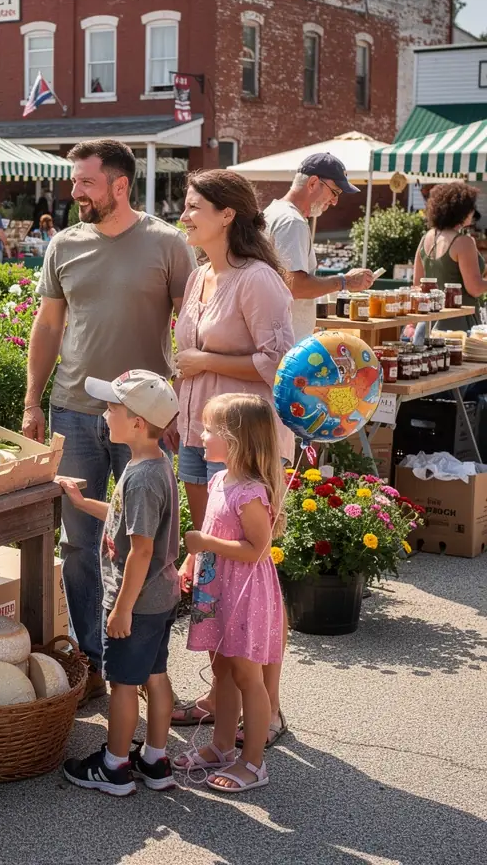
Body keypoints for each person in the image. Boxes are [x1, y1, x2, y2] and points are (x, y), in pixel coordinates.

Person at [23, 138, 195, 701]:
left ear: (120, 186)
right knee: (79, 543)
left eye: (86, 183)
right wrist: (31, 401)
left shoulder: (168, 244)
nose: (74, 192)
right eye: (75, 182)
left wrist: (178, 410)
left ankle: (144, 668)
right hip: (74, 409)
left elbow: (190, 331)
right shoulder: (64, 245)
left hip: (144, 420)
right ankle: (94, 662)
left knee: (146, 542)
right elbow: (48, 328)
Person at [170, 169, 293, 736]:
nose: (186, 213)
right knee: (216, 566)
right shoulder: (200, 277)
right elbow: (186, 359)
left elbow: (278, 363)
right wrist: (176, 412)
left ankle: (266, 707)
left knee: (254, 565)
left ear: (227, 216)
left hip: (249, 445)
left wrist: (207, 364)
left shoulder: (258, 279)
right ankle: (225, 696)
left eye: (196, 206)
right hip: (199, 435)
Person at [58, 370, 182, 796]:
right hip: (160, 598)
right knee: (156, 676)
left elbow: (141, 551)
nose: (104, 413)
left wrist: (121, 607)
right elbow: (120, 523)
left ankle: (113, 767)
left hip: (138, 603)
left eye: (112, 407)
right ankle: (155, 759)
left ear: (138, 423)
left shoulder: (142, 479)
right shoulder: (151, 464)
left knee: (123, 685)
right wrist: (79, 502)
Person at [174, 393, 286, 794]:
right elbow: (208, 531)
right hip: (216, 586)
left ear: (236, 440)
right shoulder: (221, 480)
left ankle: (253, 762)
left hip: (244, 591)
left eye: (209, 430)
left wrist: (205, 543)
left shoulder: (251, 492)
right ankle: (221, 745)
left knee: (245, 674)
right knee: (220, 667)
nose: (201, 436)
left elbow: (257, 549)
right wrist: (191, 561)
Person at [264, 152, 373, 339]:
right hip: (284, 344)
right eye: (335, 192)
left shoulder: (274, 212)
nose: (335, 201)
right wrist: (345, 281)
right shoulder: (292, 221)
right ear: (313, 183)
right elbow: (295, 286)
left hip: (274, 338)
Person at [413, 181, 487, 330]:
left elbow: (417, 286)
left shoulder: (426, 238)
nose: (473, 212)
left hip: (429, 321)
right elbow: (475, 288)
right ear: (461, 211)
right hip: (458, 322)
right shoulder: (463, 242)